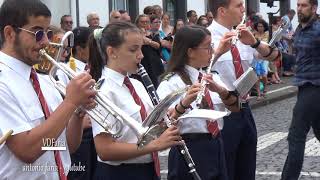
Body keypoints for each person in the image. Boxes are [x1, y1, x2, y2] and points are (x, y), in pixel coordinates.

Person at [0, 0, 96, 179]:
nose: (46, 42)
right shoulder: (2, 82)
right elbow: (27, 150)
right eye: (37, 33)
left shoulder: (45, 81)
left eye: (48, 33)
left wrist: (77, 113)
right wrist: (70, 102)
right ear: (10, 33)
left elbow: (65, 145)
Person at [88, 21, 182, 180]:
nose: (141, 55)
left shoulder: (137, 84)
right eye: (133, 49)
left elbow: (150, 127)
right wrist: (155, 145)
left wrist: (177, 111)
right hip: (120, 173)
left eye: (140, 48)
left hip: (147, 169)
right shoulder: (103, 91)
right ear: (112, 52)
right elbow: (105, 150)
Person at [207, 0, 281, 179]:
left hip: (245, 109)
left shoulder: (242, 35)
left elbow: (274, 55)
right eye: (238, 5)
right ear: (222, 11)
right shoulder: (206, 37)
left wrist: (254, 42)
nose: (244, 10)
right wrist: (218, 53)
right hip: (221, 112)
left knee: (246, 168)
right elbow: (200, 73)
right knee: (226, 169)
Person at [157, 25, 240, 180]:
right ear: (190, 52)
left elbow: (236, 107)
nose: (212, 52)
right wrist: (184, 102)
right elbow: (162, 125)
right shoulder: (171, 84)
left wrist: (221, 91)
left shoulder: (211, 76)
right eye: (207, 47)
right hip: (189, 147)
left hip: (216, 144)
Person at [281, 0, 320, 180]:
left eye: (304, 5)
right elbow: (297, 57)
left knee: (296, 136)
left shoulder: (318, 29)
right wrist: (259, 46)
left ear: (314, 8)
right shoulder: (299, 29)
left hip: (314, 88)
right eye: (298, 5)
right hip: (304, 88)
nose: (299, 9)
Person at [66, 26, 97, 180]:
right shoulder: (66, 70)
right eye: (91, 47)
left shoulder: (91, 68)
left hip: (94, 129)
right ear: (79, 49)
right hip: (80, 131)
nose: (95, 50)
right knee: (80, 174)